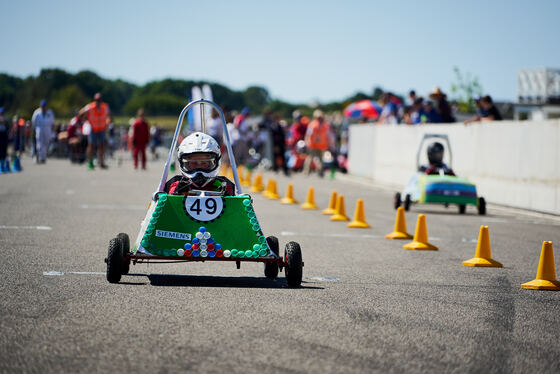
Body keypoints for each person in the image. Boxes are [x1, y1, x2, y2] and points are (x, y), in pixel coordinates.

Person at [164, 132, 235, 196]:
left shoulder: (224, 186)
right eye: (194, 163)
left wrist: (226, 198)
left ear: (215, 162)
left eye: (204, 163)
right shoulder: (176, 185)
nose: (199, 169)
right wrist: (176, 194)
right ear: (184, 163)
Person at [79, 92, 112, 170]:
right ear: (94, 100)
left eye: (99, 100)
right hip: (93, 128)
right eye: (96, 100)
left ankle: (101, 162)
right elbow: (80, 113)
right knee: (91, 146)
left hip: (101, 129)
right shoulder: (90, 106)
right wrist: (84, 119)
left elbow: (109, 116)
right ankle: (90, 163)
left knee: (101, 146)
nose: (98, 101)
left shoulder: (105, 106)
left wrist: (107, 122)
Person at [304, 109, 332, 177]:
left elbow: (328, 135)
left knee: (319, 159)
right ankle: (307, 171)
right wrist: (307, 141)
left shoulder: (323, 125)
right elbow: (309, 134)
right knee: (311, 158)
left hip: (320, 145)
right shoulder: (314, 124)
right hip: (314, 145)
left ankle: (319, 172)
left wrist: (329, 143)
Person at [31, 99, 55, 164]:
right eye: (42, 106)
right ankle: (40, 157)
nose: (43, 107)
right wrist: (34, 130)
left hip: (47, 128)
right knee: (39, 143)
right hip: (39, 128)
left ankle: (43, 157)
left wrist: (52, 133)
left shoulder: (50, 113)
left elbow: (53, 123)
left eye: (44, 106)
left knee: (46, 143)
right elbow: (33, 122)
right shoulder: (37, 112)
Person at [0, 107, 10, 172]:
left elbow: (8, 126)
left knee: (4, 149)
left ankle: (3, 164)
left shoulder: (6, 119)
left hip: (4, 135)